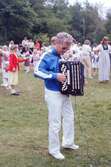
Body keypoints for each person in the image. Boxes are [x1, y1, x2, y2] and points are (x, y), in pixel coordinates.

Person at [34, 32, 79, 160]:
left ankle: (68, 142)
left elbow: (66, 72)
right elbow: (37, 71)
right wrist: (54, 76)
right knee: (55, 122)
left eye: (68, 48)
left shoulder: (62, 55)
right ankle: (53, 149)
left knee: (69, 117)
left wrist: (76, 81)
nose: (66, 50)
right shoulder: (47, 55)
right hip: (53, 93)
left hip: (65, 93)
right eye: (64, 47)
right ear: (57, 43)